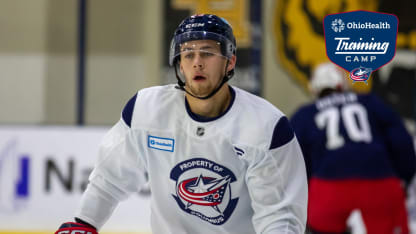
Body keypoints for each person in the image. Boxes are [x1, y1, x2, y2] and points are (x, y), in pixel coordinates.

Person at [55, 14, 308, 234]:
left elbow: (279, 215)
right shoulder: (147, 109)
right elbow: (110, 178)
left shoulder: (265, 127)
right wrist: (84, 222)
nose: (197, 61)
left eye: (207, 53)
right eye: (188, 54)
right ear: (180, 64)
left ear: (230, 62)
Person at [290, 62, 416, 234]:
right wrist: (404, 178)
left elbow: (295, 159)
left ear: (314, 89)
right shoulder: (369, 102)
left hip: (328, 185)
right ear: (342, 84)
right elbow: (401, 140)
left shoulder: (305, 114)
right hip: (378, 181)